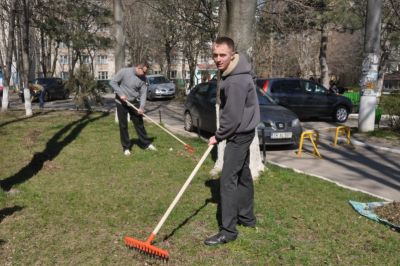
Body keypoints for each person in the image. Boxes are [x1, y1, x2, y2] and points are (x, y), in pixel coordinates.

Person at [204, 37, 260, 246]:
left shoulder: (235, 80)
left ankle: (228, 231)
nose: (218, 59)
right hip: (245, 131)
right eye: (215, 55)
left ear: (232, 54)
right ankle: (247, 218)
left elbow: (232, 116)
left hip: (238, 134)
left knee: (227, 180)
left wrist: (218, 136)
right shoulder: (236, 72)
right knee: (243, 175)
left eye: (222, 55)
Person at [110, 63, 157, 156]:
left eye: (145, 72)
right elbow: (113, 82)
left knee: (139, 123)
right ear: (138, 68)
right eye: (143, 71)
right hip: (121, 102)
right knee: (123, 125)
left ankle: (146, 144)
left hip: (133, 102)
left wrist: (141, 107)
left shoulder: (143, 78)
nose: (144, 74)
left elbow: (143, 94)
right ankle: (126, 147)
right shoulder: (124, 72)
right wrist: (120, 94)